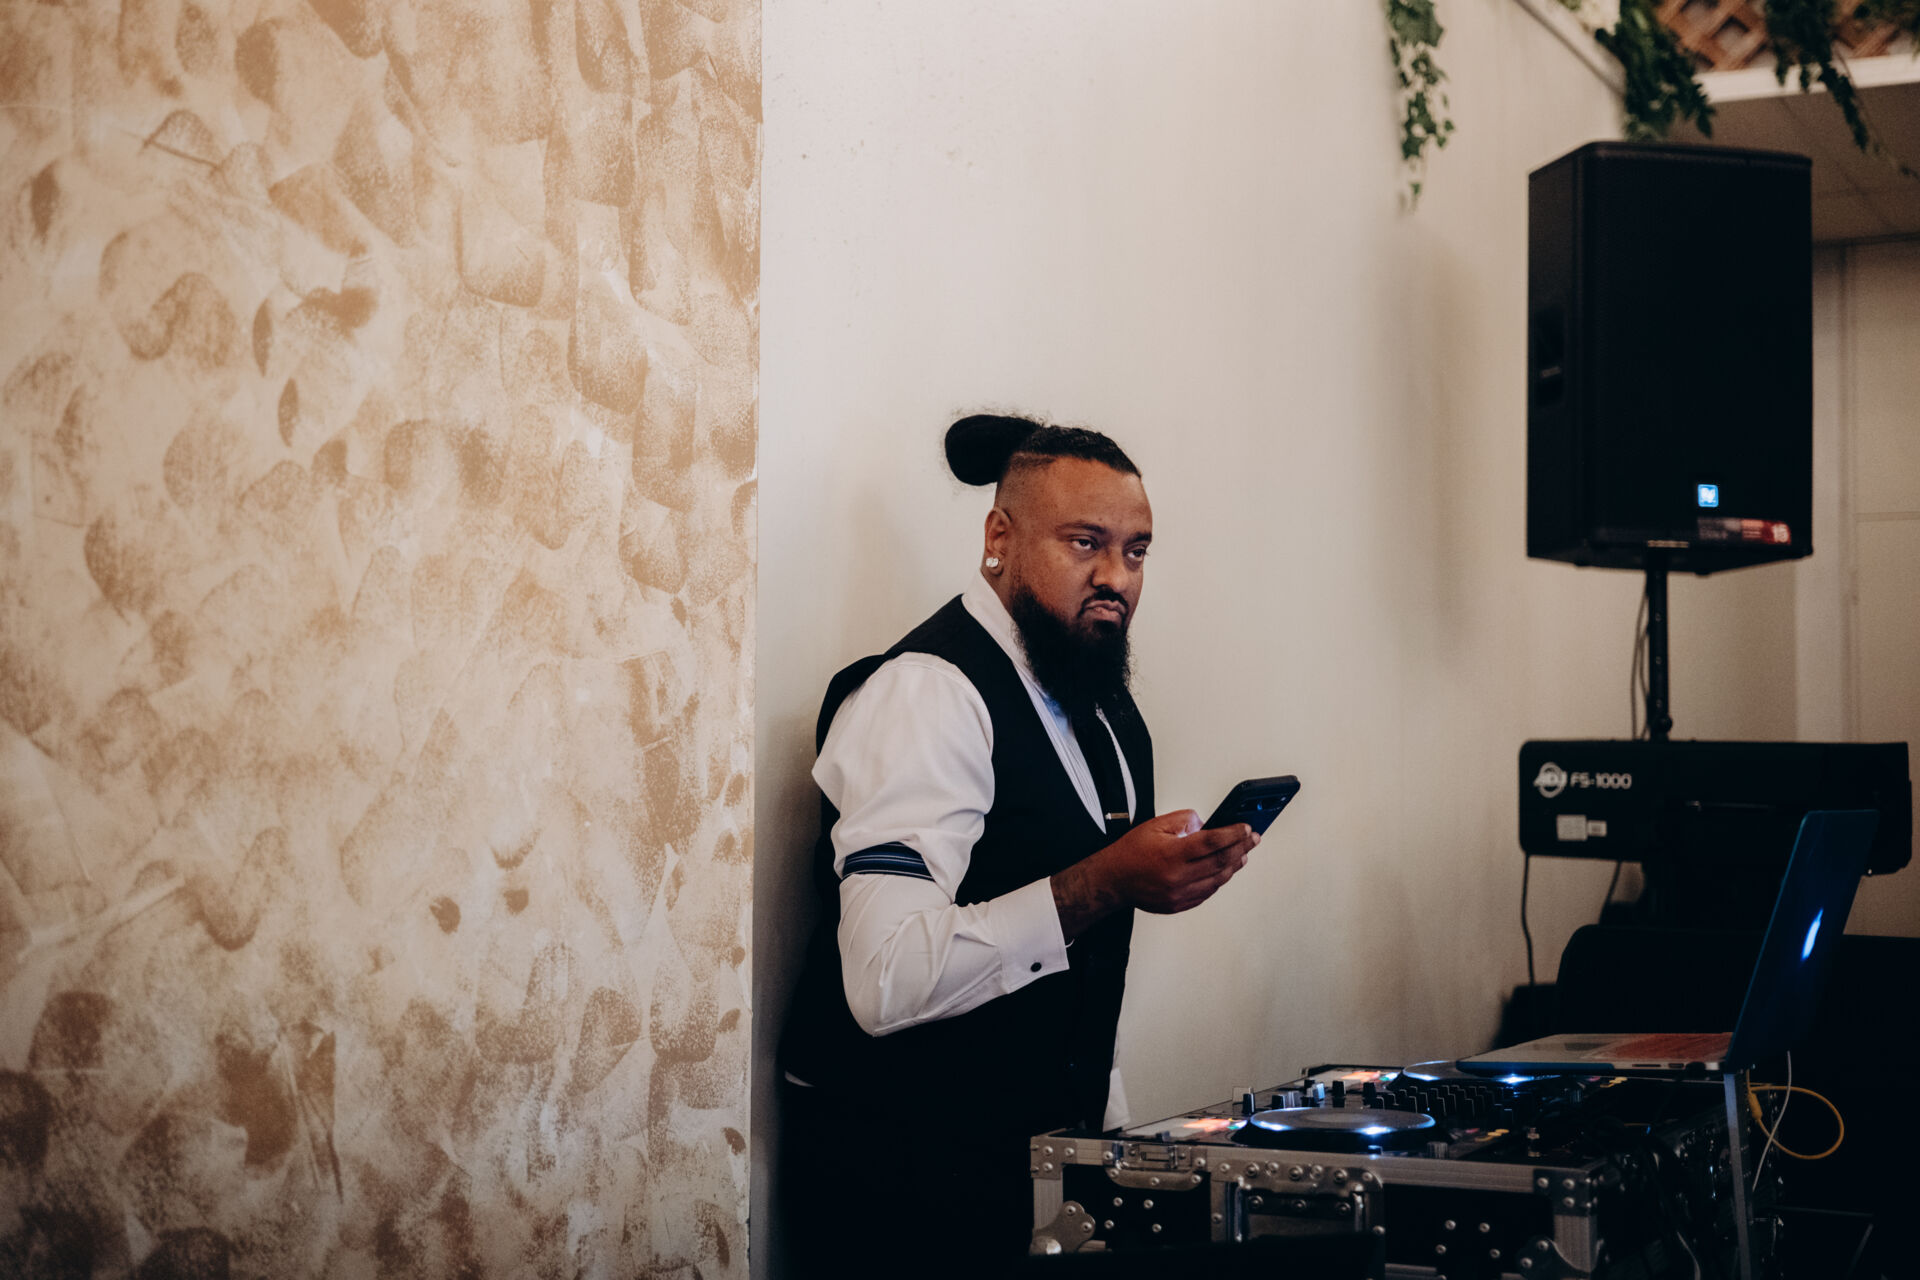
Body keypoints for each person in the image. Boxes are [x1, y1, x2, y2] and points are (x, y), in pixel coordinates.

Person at [778, 414, 1260, 1276]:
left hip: (1043, 1179)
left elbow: (1077, 981)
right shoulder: (926, 696)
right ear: (998, 538)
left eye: (1137, 551)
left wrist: (1109, 1137)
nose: (1116, 578)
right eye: (1086, 543)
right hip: (901, 1192)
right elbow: (884, 979)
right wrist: (1105, 882)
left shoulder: (1107, 712)